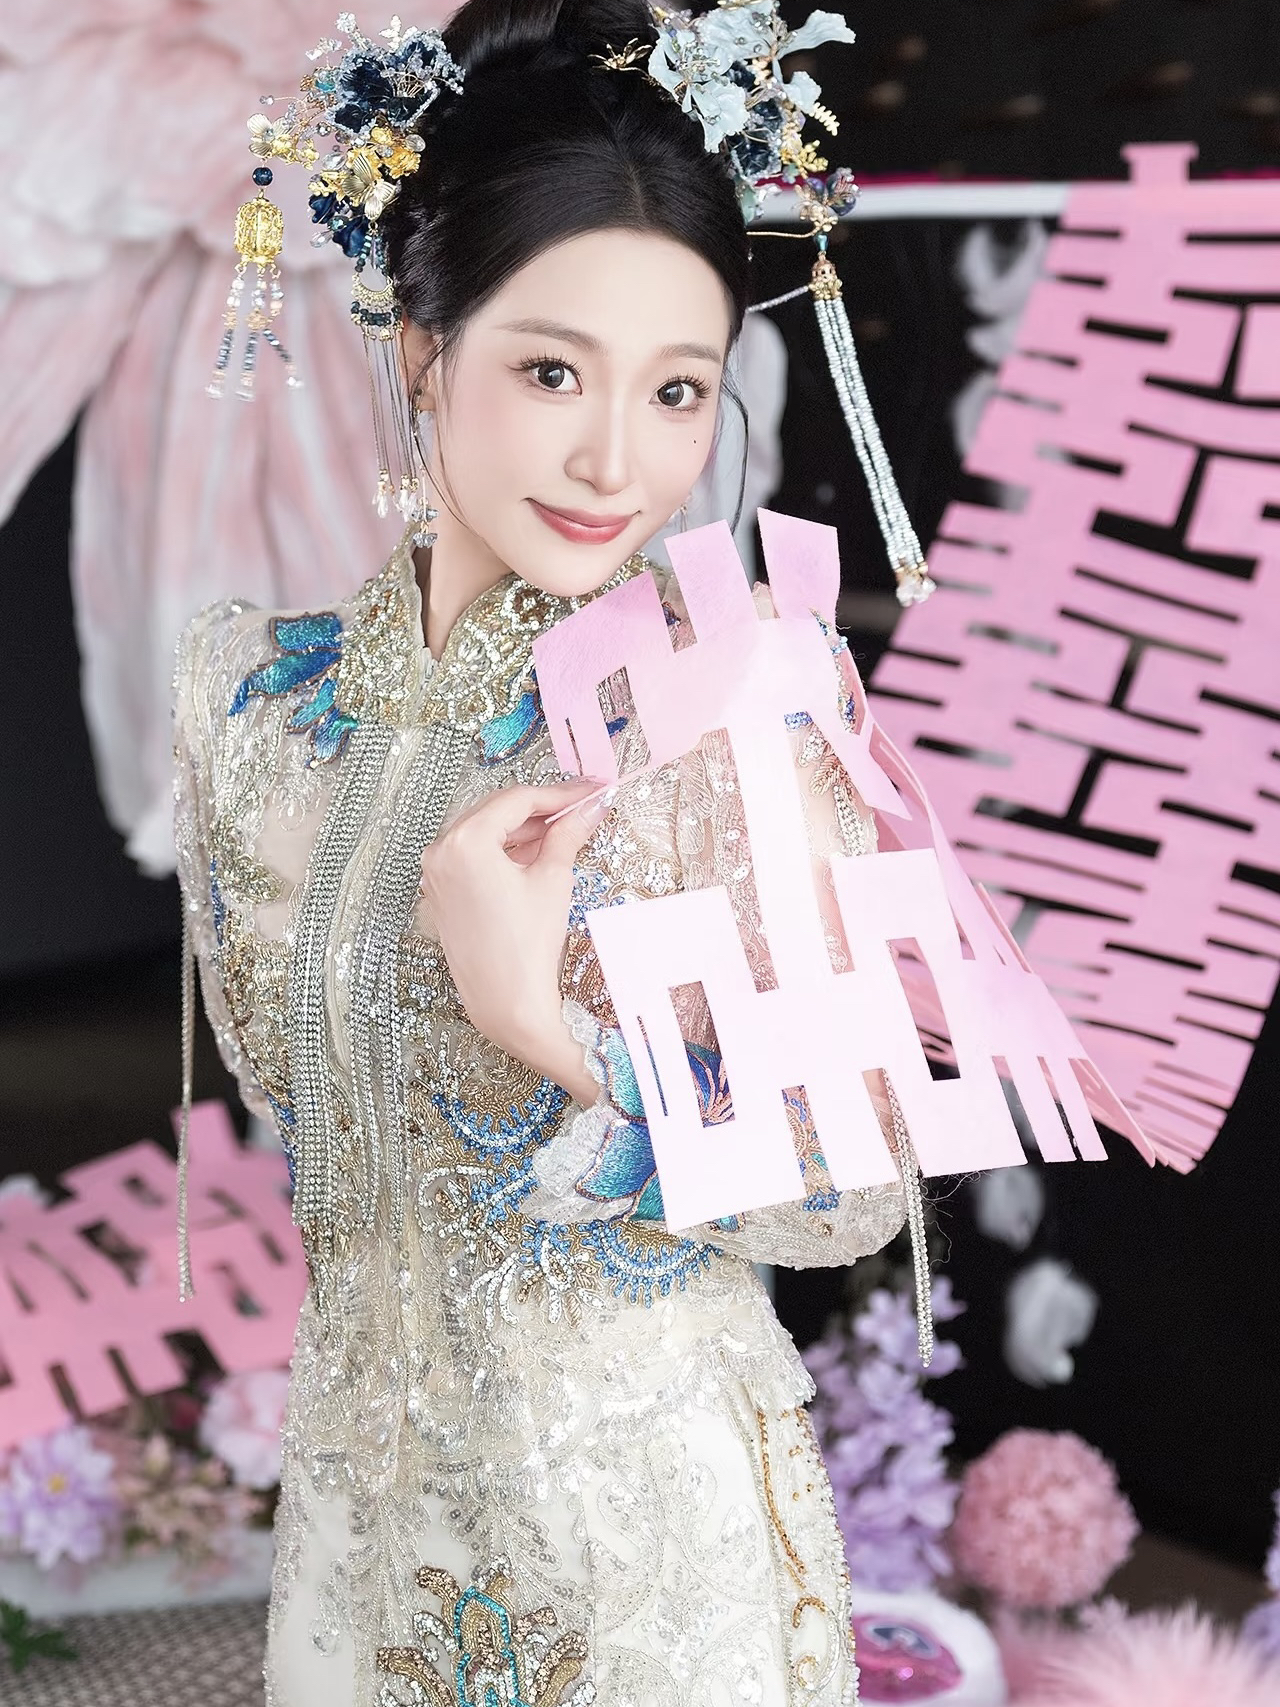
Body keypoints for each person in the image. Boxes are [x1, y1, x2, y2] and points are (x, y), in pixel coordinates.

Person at [174, 2, 919, 1700]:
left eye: (677, 391)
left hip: (651, 1565)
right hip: (365, 1547)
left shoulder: (723, 703)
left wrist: (548, 1029)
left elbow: (853, 1191)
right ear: (422, 350)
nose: (615, 461)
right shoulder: (251, 703)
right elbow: (312, 1129)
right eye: (552, 371)